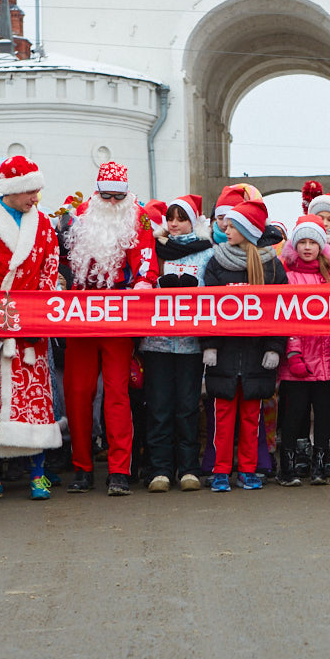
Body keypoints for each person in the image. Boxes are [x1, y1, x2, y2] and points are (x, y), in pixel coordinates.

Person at [0, 155, 63, 501]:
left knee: (33, 400)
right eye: (29, 192)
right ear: (10, 191)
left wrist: (40, 316)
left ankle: (38, 474)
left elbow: (50, 273)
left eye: (37, 191)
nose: (35, 198)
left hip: (31, 326)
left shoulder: (45, 225)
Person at [64, 161, 159, 495]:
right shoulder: (80, 213)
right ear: (99, 191)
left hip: (117, 311)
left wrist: (145, 282)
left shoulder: (138, 215)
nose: (115, 202)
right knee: (77, 392)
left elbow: (145, 255)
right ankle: (82, 467)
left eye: (120, 196)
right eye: (109, 196)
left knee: (117, 393)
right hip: (80, 313)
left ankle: (119, 469)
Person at [202, 199, 287, 492]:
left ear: (247, 231)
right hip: (224, 354)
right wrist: (209, 346)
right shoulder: (216, 261)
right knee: (222, 418)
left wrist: (274, 348)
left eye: (233, 225)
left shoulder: (272, 267)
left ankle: (249, 470)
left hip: (257, 355)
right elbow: (207, 308)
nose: (226, 227)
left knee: (252, 417)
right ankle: (221, 471)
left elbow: (282, 312)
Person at [139, 194, 212, 493]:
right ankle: (159, 469)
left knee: (186, 408)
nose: (175, 224)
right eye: (171, 218)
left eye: (181, 218)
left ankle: (188, 468)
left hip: (190, 344)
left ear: (192, 221)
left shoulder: (208, 252)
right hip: (157, 343)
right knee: (158, 408)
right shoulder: (156, 250)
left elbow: (212, 293)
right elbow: (144, 285)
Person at [277, 215, 330, 486]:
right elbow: (285, 317)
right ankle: (289, 467)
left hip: (327, 359)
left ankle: (320, 465)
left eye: (312, 242)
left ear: (321, 246)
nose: (307, 247)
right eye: (302, 242)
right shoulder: (287, 276)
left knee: (325, 415)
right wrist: (292, 354)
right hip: (299, 358)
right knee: (295, 415)